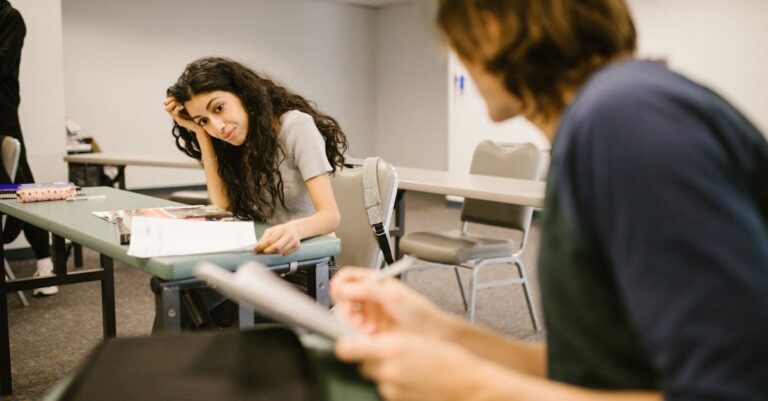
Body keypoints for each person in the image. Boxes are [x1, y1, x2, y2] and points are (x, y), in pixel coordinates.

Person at [330, 1, 768, 400]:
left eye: (455, 43)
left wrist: (469, 387)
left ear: (490, 25)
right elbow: (595, 375)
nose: (455, 58)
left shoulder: (624, 119)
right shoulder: (604, 121)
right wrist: (439, 331)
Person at [164, 57, 347, 256]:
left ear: (243, 94)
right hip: (262, 255)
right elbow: (222, 206)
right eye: (204, 121)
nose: (218, 127)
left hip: (308, 258)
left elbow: (331, 217)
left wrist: (294, 229)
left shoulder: (296, 126)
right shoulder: (235, 141)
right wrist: (200, 134)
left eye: (219, 108)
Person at [0, 0, 56, 296]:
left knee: (21, 185)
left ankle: (45, 260)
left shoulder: (10, 17)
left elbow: (2, 64)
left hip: (3, 114)